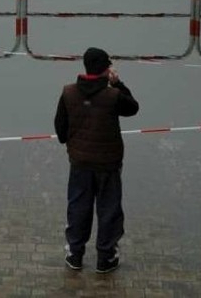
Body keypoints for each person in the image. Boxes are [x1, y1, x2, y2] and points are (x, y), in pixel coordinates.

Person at [54, 47, 140, 274]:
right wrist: (118, 83)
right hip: (108, 164)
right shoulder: (113, 96)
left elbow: (60, 131)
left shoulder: (68, 93)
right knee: (109, 209)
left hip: (80, 163)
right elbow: (133, 108)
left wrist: (76, 143)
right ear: (105, 70)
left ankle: (75, 254)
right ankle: (106, 257)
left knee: (78, 207)